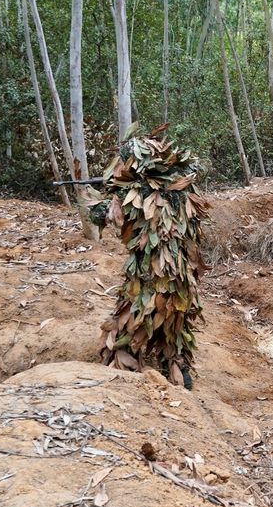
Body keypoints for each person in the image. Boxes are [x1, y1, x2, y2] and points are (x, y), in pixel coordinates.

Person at [88, 123, 211, 389]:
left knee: (134, 312)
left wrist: (109, 192)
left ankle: (124, 365)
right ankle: (178, 369)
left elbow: (99, 216)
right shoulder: (185, 188)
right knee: (175, 323)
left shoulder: (137, 191)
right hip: (181, 274)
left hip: (149, 270)